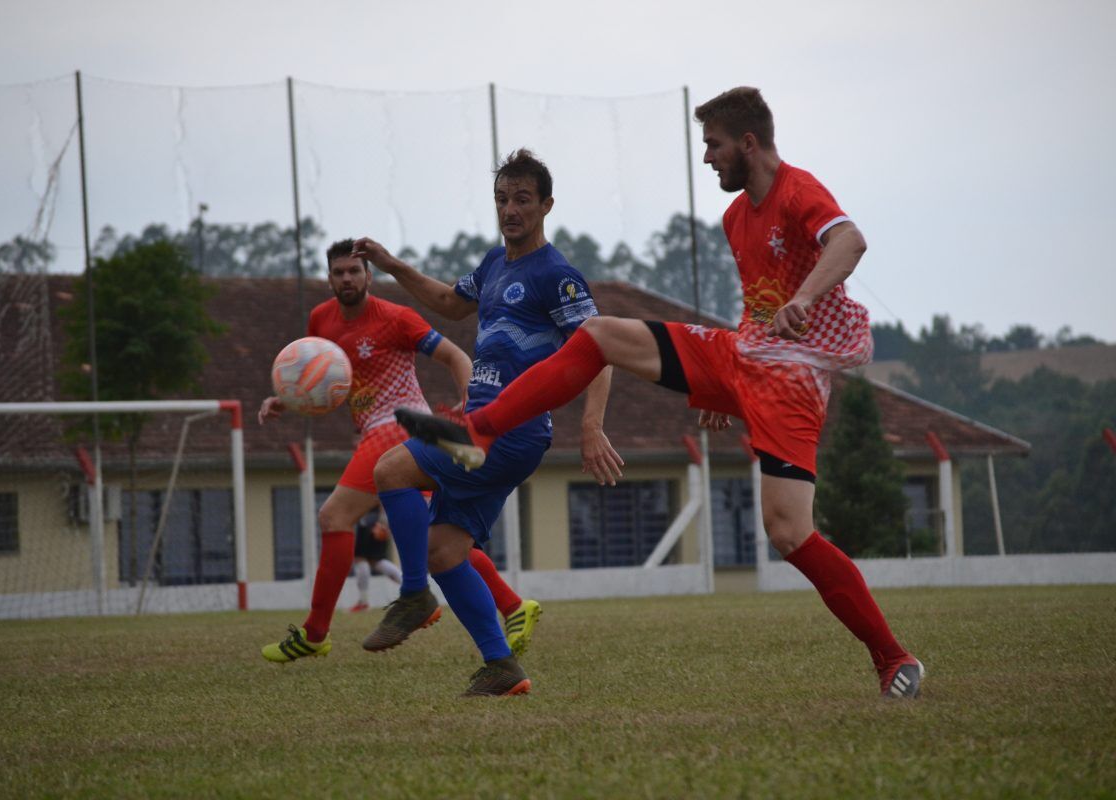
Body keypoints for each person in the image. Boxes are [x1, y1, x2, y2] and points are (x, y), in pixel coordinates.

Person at [395, 89, 925, 700]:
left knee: (788, 532)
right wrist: (722, 384)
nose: (707, 158)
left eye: (714, 145)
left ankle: (893, 659)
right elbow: (759, 306)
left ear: (747, 143)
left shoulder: (798, 191)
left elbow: (849, 241)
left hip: (791, 385)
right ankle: (478, 430)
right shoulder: (735, 218)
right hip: (743, 357)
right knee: (598, 334)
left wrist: (804, 301)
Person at [351, 149, 623, 696]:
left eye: (523, 199)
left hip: (510, 431)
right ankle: (502, 666)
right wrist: (395, 267)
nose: (511, 210)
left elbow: (600, 348)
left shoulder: (556, 274)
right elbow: (451, 304)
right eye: (502, 199)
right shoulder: (495, 265)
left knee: (389, 470)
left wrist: (592, 424)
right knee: (444, 550)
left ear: (547, 205)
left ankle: (412, 596)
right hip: (493, 429)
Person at [259, 238, 541, 663]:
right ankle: (514, 605)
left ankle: (317, 633)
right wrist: (289, 398)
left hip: (400, 429)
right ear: (329, 278)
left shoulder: (394, 318)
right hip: (382, 435)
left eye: (355, 271)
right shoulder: (321, 320)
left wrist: (471, 405)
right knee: (438, 539)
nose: (347, 278)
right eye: (339, 272)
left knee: (335, 516)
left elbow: (456, 356)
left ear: (369, 276)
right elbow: (321, 377)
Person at [348, 506, 400, 612]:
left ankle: (363, 602)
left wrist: (383, 518)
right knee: (376, 560)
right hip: (377, 518)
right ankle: (415, 589)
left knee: (361, 559)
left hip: (368, 518)